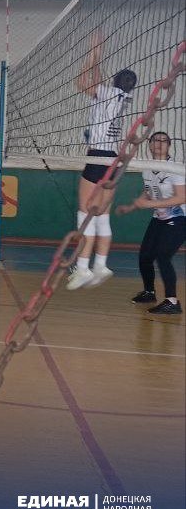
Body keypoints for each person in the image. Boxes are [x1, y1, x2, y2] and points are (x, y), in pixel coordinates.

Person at [67, 30, 137, 290]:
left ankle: (83, 268)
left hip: (98, 158)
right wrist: (99, 56)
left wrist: (92, 54)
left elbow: (81, 82)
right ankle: (100, 265)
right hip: (113, 161)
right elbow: (98, 81)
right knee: (103, 216)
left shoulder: (107, 94)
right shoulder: (123, 97)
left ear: (114, 82)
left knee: (85, 211)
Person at [116, 131, 185, 315]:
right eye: (155, 140)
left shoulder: (175, 168)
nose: (159, 143)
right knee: (145, 256)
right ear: (150, 144)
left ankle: (172, 302)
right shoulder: (147, 168)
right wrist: (131, 207)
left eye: (163, 141)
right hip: (159, 218)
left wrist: (150, 204)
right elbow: (149, 191)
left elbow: (182, 197)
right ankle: (149, 293)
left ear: (169, 145)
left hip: (179, 219)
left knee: (163, 256)